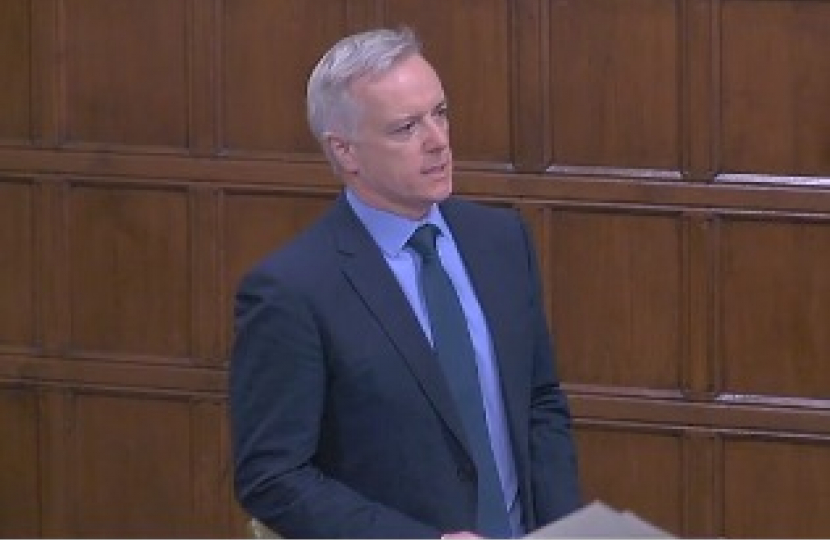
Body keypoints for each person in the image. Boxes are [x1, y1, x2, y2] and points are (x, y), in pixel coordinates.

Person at [229, 26, 582, 538]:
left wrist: (559, 530)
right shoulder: (292, 290)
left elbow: (540, 401)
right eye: (406, 128)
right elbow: (273, 477)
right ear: (345, 152)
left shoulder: (501, 241)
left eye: (439, 113)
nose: (438, 141)